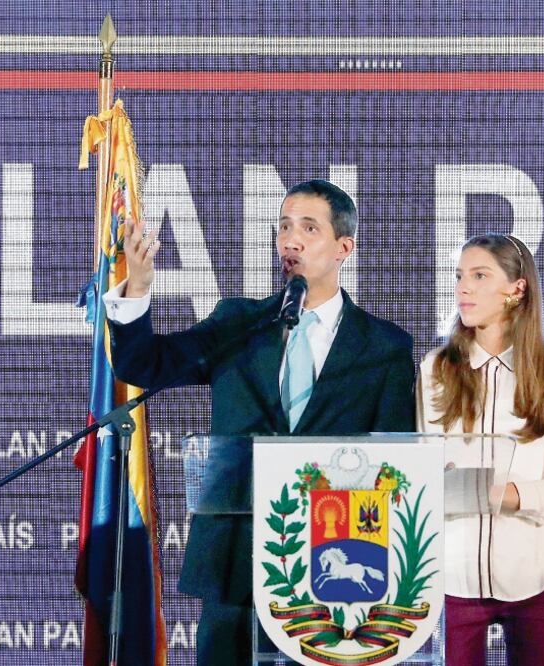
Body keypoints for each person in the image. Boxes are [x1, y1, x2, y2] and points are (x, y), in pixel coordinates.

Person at [104, 179, 415, 664]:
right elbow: (144, 365)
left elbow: (393, 462)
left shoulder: (385, 347)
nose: (290, 240)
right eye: (284, 227)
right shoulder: (239, 323)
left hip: (330, 572)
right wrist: (138, 290)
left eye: (309, 229)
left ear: (343, 248)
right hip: (235, 560)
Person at [416, 233, 544, 665]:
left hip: (537, 577)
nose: (463, 288)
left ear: (517, 288)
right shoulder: (435, 369)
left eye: (479, 276)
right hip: (452, 579)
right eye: (459, 277)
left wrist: (507, 496)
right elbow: (421, 474)